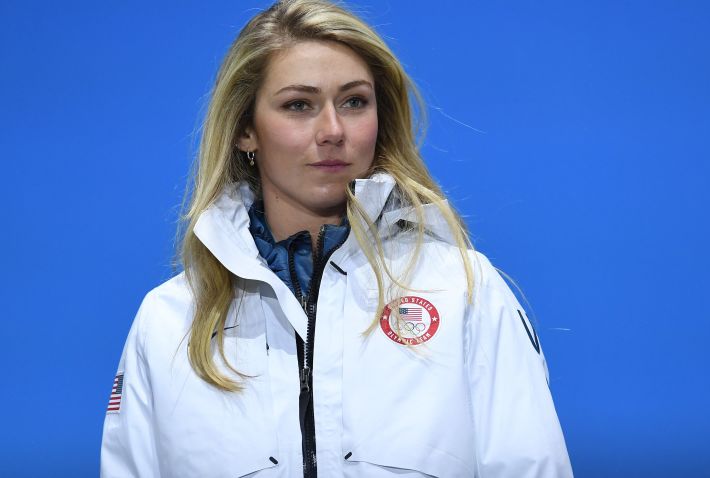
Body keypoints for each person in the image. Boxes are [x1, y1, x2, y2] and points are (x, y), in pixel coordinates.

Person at [100, 1, 573, 476]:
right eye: (298, 105)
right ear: (246, 129)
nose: (332, 131)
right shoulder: (169, 322)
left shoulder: (463, 291)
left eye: (354, 102)